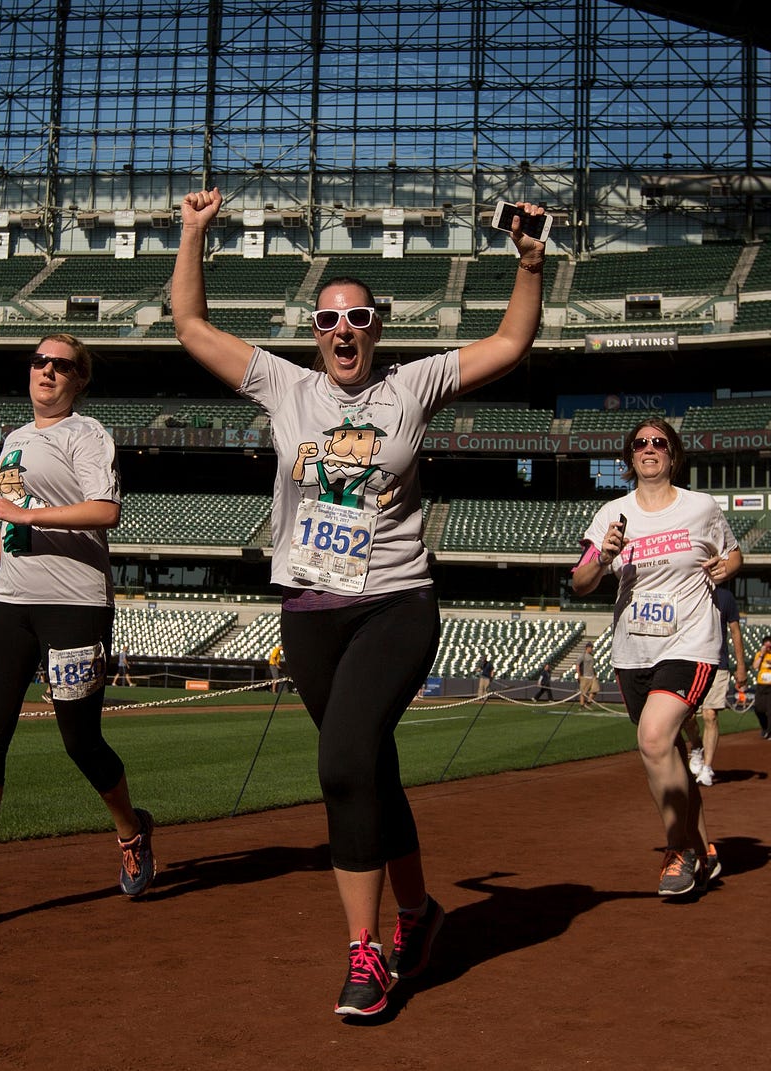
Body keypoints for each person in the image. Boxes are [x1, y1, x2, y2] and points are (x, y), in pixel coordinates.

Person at [172, 186, 547, 1017]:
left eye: (360, 318)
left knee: (342, 763)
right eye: (329, 321)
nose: (344, 331)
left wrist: (529, 263)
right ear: (314, 333)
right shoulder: (283, 387)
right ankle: (420, 911)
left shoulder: (413, 386)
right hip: (308, 608)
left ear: (379, 326)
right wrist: (195, 233)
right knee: (372, 768)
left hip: (395, 601)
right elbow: (192, 329)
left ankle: (364, 952)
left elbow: (513, 341)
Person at [0, 333, 156, 919]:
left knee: (80, 740)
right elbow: (10, 523)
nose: (47, 371)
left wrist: (26, 514)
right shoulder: (13, 442)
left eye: (62, 365)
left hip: (75, 603)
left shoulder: (87, 434)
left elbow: (106, 511)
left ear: (79, 380)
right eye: (40, 361)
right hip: (11, 601)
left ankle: (131, 830)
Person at [571, 418, 741, 898]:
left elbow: (733, 556)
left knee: (653, 738)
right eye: (640, 443)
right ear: (629, 458)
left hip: (690, 642)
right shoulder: (612, 515)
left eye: (659, 443)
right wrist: (602, 558)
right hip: (633, 650)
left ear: (673, 454)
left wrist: (729, 565)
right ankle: (704, 849)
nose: (649, 449)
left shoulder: (700, 508)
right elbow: (580, 582)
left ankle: (677, 849)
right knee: (669, 752)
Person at [682, 586, 746, 786]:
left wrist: (741, 666)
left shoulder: (725, 596)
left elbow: (735, 631)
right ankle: (696, 745)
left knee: (710, 714)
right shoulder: (688, 589)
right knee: (686, 716)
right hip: (688, 662)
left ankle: (707, 767)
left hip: (717, 664)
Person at [751, 636, 771, 739]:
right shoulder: (760, 655)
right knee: (758, 708)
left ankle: (770, 732)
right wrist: (761, 655)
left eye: (770, 646)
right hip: (761, 685)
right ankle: (765, 727)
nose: (768, 648)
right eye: (766, 646)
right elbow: (755, 666)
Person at [576, 642, 599, 708]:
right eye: (591, 647)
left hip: (592, 676)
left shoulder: (591, 656)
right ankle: (582, 705)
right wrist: (579, 675)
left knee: (595, 690)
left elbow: (592, 666)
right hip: (584, 676)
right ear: (587, 648)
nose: (591, 649)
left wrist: (595, 674)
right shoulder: (582, 656)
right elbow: (577, 665)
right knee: (583, 692)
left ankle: (588, 702)